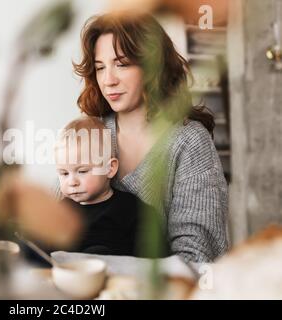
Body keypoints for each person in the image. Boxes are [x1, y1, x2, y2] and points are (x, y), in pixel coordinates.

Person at [70, 12, 229, 263]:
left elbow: (196, 256)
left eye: (121, 64)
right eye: (100, 68)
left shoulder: (188, 142)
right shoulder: (91, 132)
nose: (108, 80)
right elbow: (58, 224)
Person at [54, 116, 169, 257]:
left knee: (98, 253)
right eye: (64, 173)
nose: (72, 182)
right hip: (68, 273)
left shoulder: (131, 209)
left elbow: (157, 256)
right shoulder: (62, 210)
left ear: (110, 168)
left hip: (115, 273)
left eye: (82, 171)